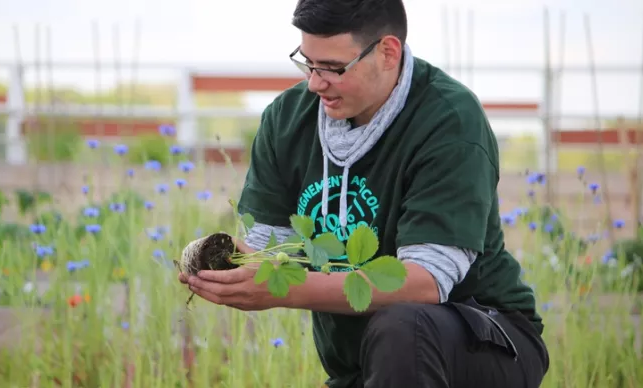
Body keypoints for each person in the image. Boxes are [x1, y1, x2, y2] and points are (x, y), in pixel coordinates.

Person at [178, 0, 550, 386]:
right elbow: (274, 256)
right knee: (394, 337)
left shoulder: (448, 120)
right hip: (367, 364)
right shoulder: (287, 120)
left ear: (388, 52)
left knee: (403, 326)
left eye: (334, 68)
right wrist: (227, 265)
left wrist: (285, 288)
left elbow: (424, 282)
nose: (315, 82)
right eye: (307, 62)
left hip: (482, 341)